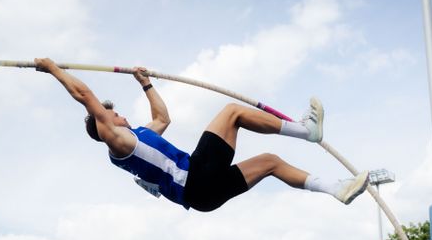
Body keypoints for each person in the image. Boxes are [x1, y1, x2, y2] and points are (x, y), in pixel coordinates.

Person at [33, 58, 369, 213]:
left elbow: (163, 117)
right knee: (230, 113)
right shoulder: (117, 142)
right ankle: (306, 131)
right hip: (194, 179)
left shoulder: (137, 137)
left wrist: (145, 83)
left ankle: (335, 189)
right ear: (104, 124)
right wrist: (53, 70)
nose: (120, 114)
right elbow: (83, 94)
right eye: (113, 114)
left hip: (203, 197)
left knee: (270, 162)